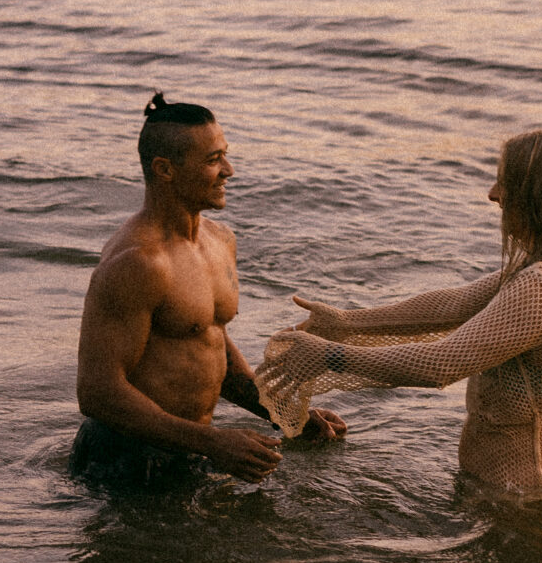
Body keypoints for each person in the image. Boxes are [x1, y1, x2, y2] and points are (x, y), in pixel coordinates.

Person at [261, 129, 542, 490]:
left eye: (505, 183)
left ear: (538, 197)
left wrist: (330, 356)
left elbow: (440, 364)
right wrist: (345, 322)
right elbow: (452, 305)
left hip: (520, 497)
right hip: (525, 487)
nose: (493, 194)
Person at [72, 93, 345, 486]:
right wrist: (214, 443)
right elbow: (97, 392)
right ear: (165, 169)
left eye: (225, 155)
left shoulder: (219, 241)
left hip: (191, 448)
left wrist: (286, 415)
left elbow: (209, 342)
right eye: (212, 160)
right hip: (125, 461)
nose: (228, 171)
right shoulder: (139, 263)